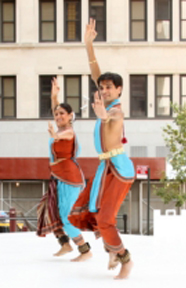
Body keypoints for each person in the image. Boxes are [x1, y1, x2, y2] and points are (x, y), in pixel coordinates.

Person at [69, 19, 135, 279]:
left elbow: (113, 125)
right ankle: (111, 249)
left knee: (105, 218)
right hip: (105, 167)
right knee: (92, 212)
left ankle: (125, 259)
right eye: (102, 87)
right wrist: (88, 45)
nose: (105, 89)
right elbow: (95, 70)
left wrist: (105, 118)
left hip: (118, 168)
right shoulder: (105, 104)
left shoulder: (116, 110)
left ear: (119, 89)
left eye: (110, 87)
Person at [37, 78, 92, 261]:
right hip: (58, 177)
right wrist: (54, 97)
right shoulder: (62, 128)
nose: (58, 116)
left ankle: (84, 250)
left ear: (71, 116)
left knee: (66, 216)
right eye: (57, 114)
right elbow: (56, 111)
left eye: (62, 114)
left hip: (69, 179)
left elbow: (65, 135)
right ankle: (65, 244)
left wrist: (55, 135)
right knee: (47, 209)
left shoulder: (68, 132)